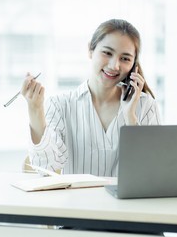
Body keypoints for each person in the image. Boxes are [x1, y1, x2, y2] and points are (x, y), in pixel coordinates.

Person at [21, 19, 161, 177]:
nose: (115, 65)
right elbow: (47, 166)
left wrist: (131, 118)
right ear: (90, 50)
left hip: (126, 202)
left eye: (125, 59)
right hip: (76, 201)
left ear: (134, 65)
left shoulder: (145, 105)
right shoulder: (60, 104)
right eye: (107, 53)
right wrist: (35, 110)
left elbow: (151, 171)